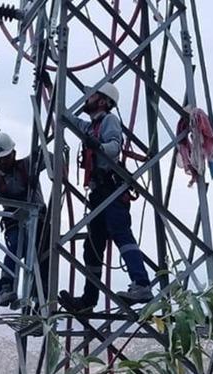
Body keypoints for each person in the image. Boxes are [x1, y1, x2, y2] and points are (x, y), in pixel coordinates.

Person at [60, 82, 153, 311]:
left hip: (111, 189)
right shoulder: (91, 126)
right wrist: (53, 92)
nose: (87, 99)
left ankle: (141, 284)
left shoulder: (109, 121)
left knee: (121, 235)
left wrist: (97, 145)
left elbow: (114, 147)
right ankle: (88, 301)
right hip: (99, 194)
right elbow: (68, 119)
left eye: (91, 96)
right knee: (92, 247)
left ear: (102, 100)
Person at [0, 131, 48, 307]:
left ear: (14, 154)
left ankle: (39, 299)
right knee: (14, 249)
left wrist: (50, 139)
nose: (2, 162)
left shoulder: (28, 165)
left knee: (42, 260)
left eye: (5, 157)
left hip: (39, 221)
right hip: (15, 224)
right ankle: (6, 288)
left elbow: (49, 156)